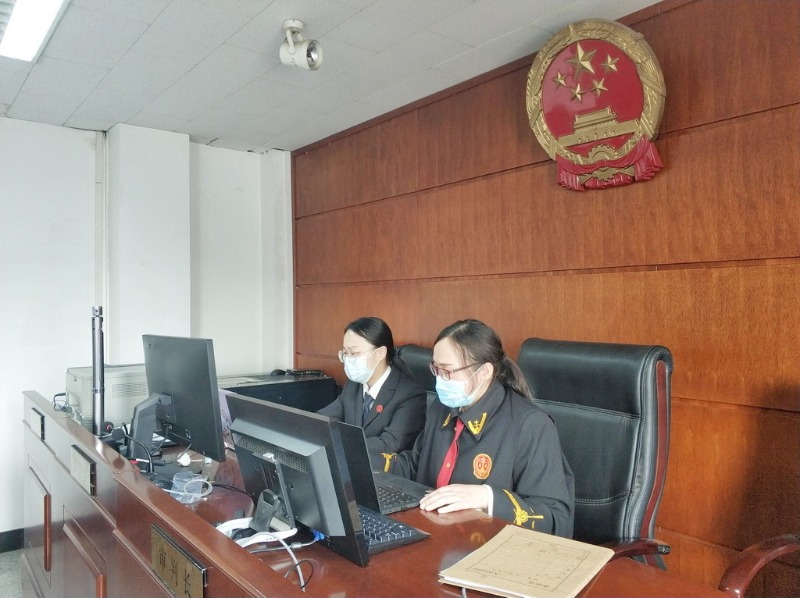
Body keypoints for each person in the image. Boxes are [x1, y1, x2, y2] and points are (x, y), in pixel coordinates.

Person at [374, 319, 575, 537]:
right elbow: (416, 464)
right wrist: (362, 461)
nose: (440, 380)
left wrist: (487, 497)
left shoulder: (531, 425)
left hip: (491, 546)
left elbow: (555, 518)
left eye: (448, 371)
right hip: (436, 533)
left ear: (485, 371)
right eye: (435, 369)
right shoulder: (443, 406)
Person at [318, 317, 427, 454]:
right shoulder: (354, 385)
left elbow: (390, 443)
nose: (348, 359)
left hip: (386, 466)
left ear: (380, 353)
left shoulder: (410, 394)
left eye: (355, 353)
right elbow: (325, 417)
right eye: (345, 353)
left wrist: (342, 444)